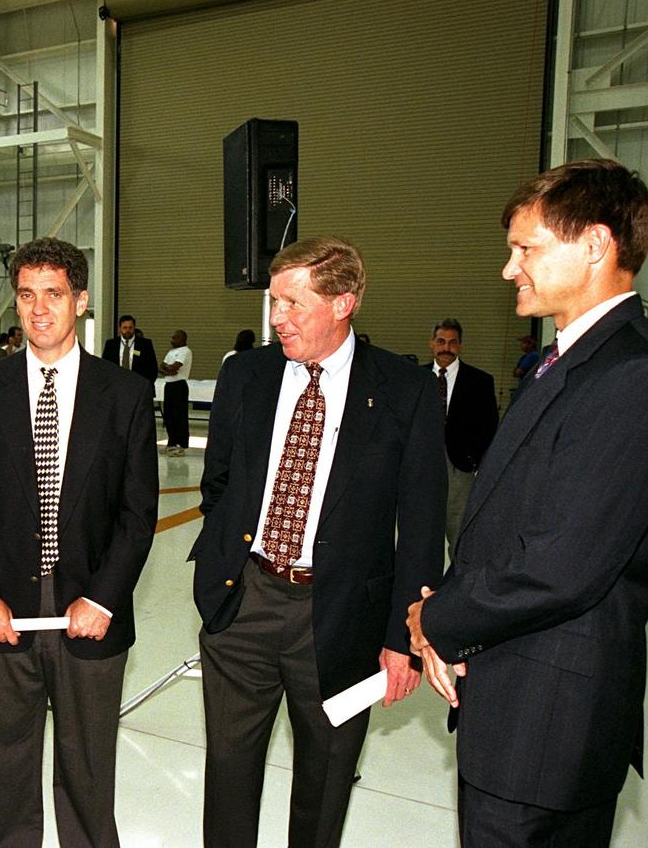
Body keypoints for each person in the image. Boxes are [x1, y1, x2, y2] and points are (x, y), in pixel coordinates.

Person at [408, 158, 648, 848]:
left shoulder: (637, 378)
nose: (511, 268)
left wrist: (437, 618)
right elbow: (511, 520)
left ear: (595, 245)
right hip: (517, 700)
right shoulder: (572, 359)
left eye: (527, 248)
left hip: (548, 721)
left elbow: (561, 564)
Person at [190, 236, 445, 848]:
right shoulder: (246, 375)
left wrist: (400, 640)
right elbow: (219, 481)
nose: (277, 318)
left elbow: (421, 525)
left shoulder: (406, 391)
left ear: (343, 303)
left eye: (293, 304)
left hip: (342, 622)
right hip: (243, 603)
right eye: (274, 302)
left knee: (326, 781)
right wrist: (223, 560)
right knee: (228, 772)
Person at [0, 236, 158, 847]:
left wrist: (104, 598)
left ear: (81, 301)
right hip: (2, 619)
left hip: (90, 618)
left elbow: (138, 514)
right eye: (26, 295)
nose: (38, 309)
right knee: (4, 778)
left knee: (88, 779)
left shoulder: (125, 395)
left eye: (54, 294)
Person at [426, 318, 498, 561]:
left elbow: (489, 426)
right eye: (441, 341)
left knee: (459, 535)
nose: (446, 347)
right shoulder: (416, 378)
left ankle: (456, 591)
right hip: (422, 467)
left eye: (453, 342)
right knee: (423, 535)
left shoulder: (480, 382)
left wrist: (475, 461)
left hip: (460, 468)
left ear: (461, 346)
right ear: (431, 344)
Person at [159, 329, 192, 456]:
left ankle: (181, 444)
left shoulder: (186, 351)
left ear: (182, 339)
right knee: (169, 415)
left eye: (175, 338)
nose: (172, 340)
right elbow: (161, 366)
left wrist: (168, 368)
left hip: (179, 386)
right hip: (169, 385)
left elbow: (175, 366)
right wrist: (168, 370)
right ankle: (171, 442)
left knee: (179, 415)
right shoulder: (171, 352)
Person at [101, 314, 157, 381]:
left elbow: (152, 368)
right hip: (116, 385)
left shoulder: (145, 344)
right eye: (125, 327)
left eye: (130, 327)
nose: (128, 330)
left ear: (134, 328)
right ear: (119, 328)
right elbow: (104, 367)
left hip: (138, 385)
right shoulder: (111, 344)